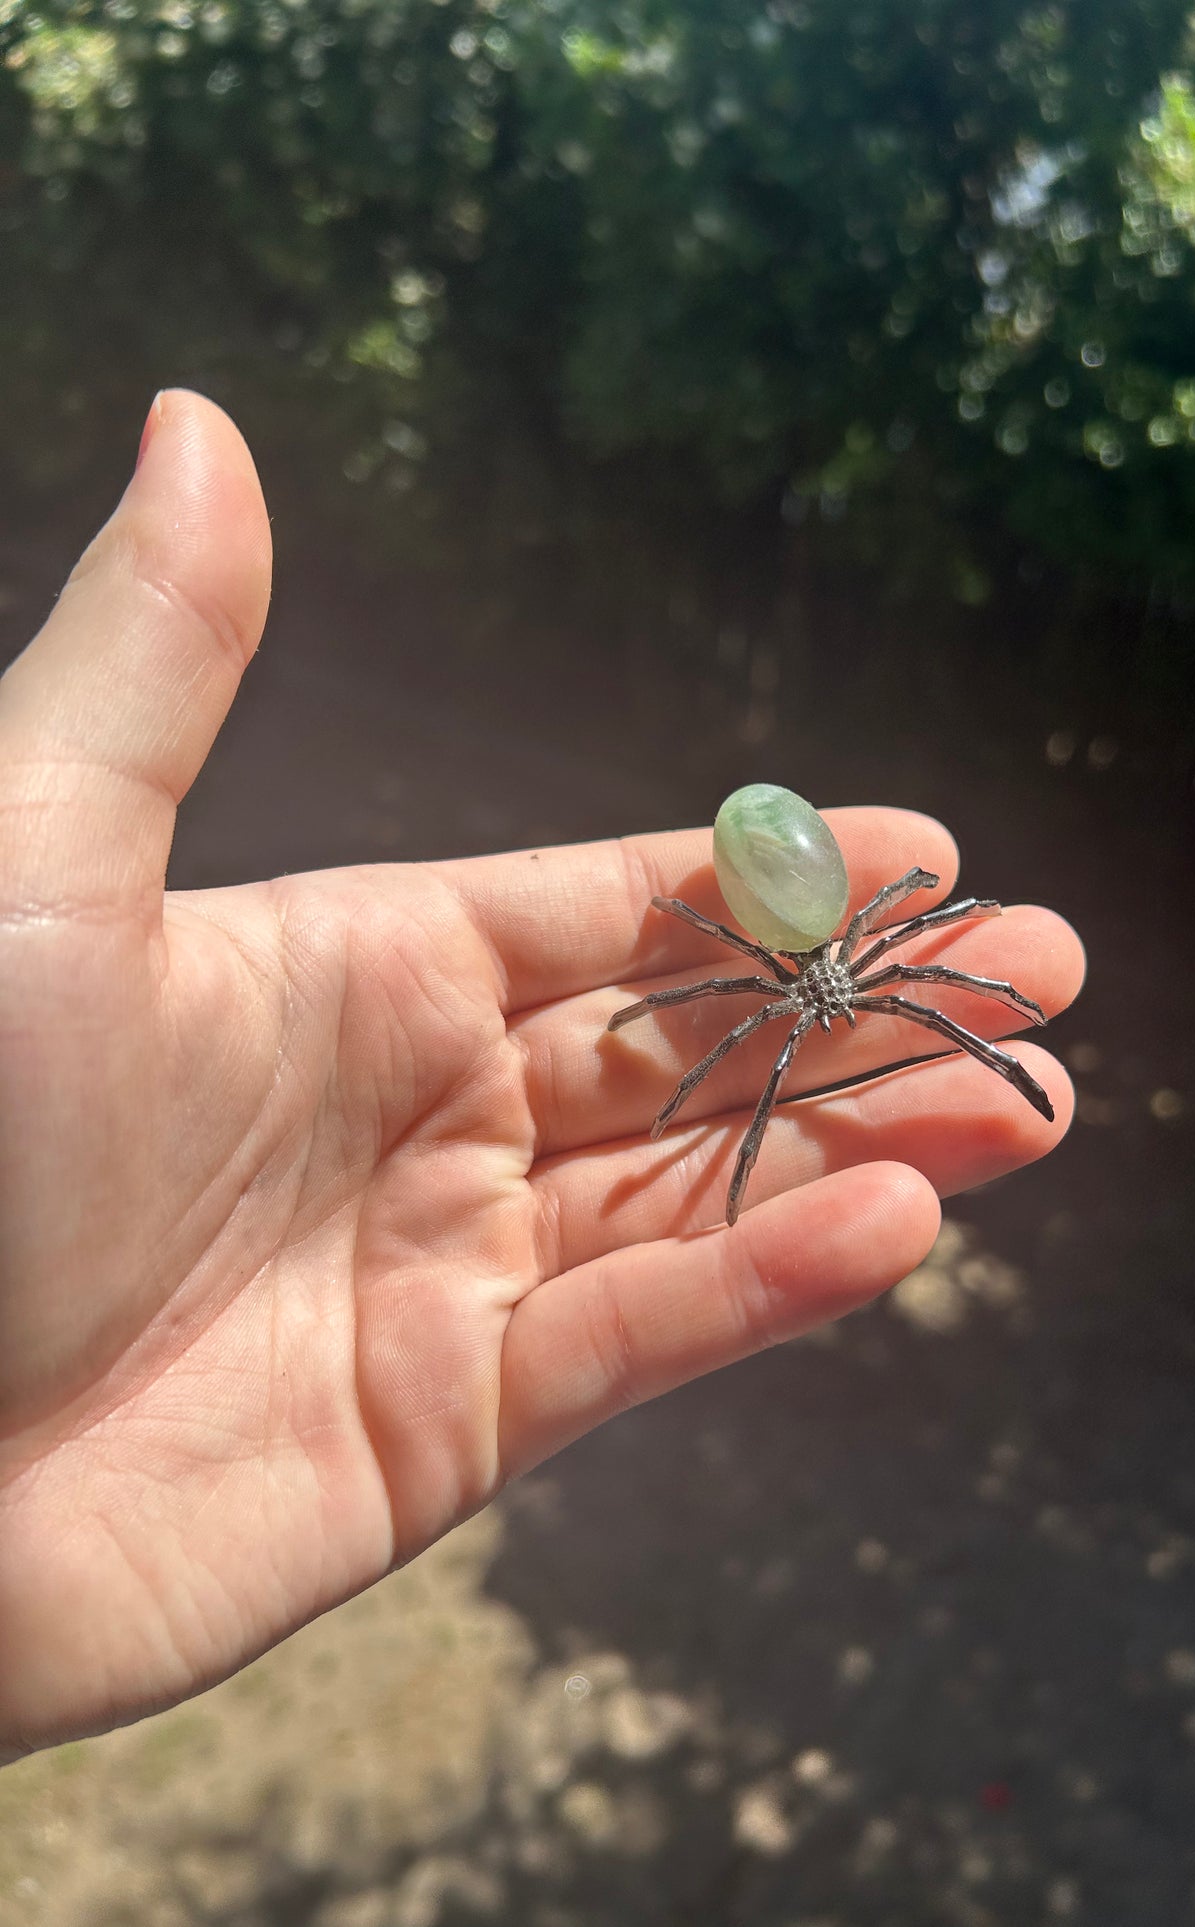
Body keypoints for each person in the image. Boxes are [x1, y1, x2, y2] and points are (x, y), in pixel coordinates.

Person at [0, 392, 1084, 1761]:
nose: (824, 1004)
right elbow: (710, 969)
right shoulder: (748, 982)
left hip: (800, 921)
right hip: (764, 928)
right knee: (747, 1077)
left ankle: (943, 1070)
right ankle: (764, 1136)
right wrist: (663, 1052)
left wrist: (937, 960)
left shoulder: (849, 959)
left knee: (947, 992)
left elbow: (926, 914)